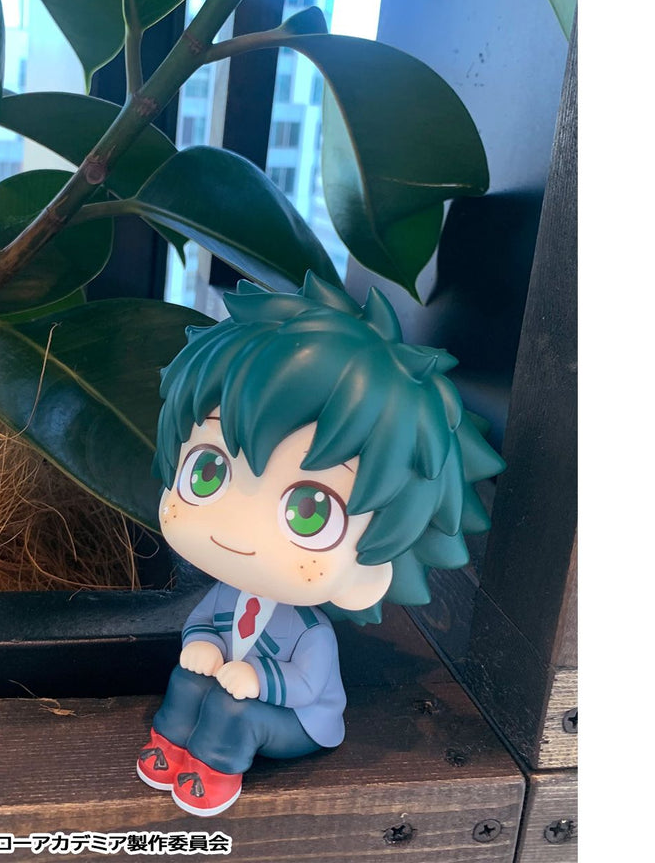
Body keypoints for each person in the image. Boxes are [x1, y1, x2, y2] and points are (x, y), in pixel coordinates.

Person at [137, 273, 505, 816]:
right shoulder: (228, 595)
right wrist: (202, 643)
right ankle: (170, 746)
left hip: (298, 720)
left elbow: (308, 685)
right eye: (207, 470)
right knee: (187, 679)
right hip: (229, 685)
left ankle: (212, 772)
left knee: (234, 713)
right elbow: (202, 623)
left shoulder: (311, 632)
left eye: (310, 511)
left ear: (369, 569)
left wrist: (257, 678)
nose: (237, 526)